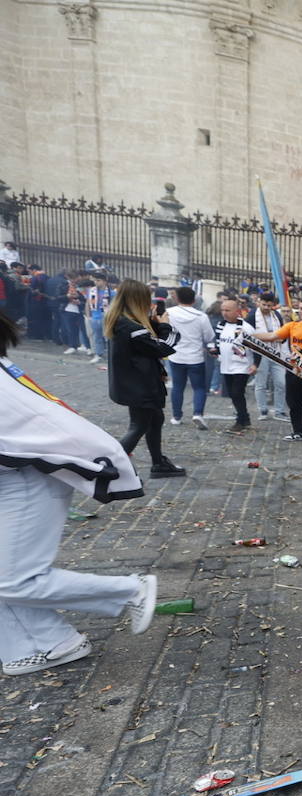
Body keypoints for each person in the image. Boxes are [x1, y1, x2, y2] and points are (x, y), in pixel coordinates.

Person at [0, 310, 160, 676]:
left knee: (15, 579)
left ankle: (129, 590)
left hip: (28, 475)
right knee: (8, 575)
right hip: (19, 473)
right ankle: (49, 643)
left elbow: (44, 426)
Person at [104, 279, 185, 478]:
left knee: (155, 418)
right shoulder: (130, 327)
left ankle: (158, 463)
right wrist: (165, 326)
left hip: (135, 382)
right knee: (139, 425)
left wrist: (155, 323)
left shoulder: (122, 321)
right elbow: (163, 347)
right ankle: (108, 467)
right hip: (140, 385)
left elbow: (147, 342)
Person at [251, 299, 302, 442]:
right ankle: (298, 432)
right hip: (294, 370)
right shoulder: (292, 326)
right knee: (294, 403)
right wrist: (249, 335)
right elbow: (272, 336)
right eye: (300, 309)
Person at [165, 286, 215, 430]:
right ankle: (198, 413)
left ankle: (176, 416)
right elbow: (209, 336)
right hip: (195, 357)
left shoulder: (169, 313)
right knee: (199, 387)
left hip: (176, 355)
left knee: (178, 387)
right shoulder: (201, 316)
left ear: (177, 298)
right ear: (194, 300)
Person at [210, 298, 254, 432]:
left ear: (237, 311)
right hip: (226, 365)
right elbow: (219, 342)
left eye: (228, 310)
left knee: (237, 393)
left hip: (242, 366)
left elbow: (256, 348)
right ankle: (245, 418)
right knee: (233, 394)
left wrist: (255, 364)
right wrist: (215, 350)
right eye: (222, 310)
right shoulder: (221, 325)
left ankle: (240, 421)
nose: (224, 313)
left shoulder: (246, 328)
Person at [244, 293, 288, 421]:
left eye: (269, 305)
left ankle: (279, 411)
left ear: (273, 305)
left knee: (281, 383)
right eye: (264, 305)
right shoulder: (252, 316)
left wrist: (279, 339)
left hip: (276, 352)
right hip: (260, 354)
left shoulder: (277, 315)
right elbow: (247, 335)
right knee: (260, 383)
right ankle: (263, 410)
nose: (267, 307)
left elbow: (283, 332)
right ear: (259, 302)